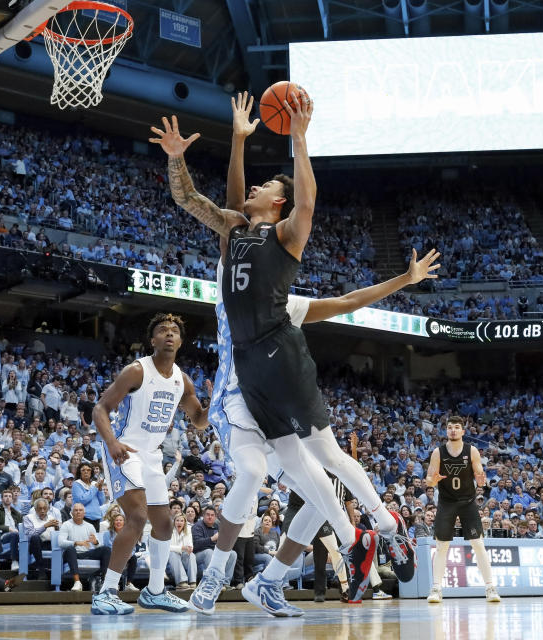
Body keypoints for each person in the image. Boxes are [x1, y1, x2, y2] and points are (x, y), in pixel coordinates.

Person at [173, 94, 432, 617]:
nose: (255, 190)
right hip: (241, 382)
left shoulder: (284, 261)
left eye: (267, 188)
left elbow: (346, 298)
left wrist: (404, 280)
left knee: (325, 472)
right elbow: (205, 199)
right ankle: (239, 576)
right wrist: (202, 151)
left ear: (277, 206)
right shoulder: (234, 234)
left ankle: (360, 538)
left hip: (273, 360)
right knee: (275, 470)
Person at [90, 313, 209, 615]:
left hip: (152, 454)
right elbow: (100, 408)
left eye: (174, 331)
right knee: (138, 517)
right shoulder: (136, 371)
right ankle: (106, 592)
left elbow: (199, 421)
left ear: (180, 341)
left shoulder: (183, 381)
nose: (169, 334)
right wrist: (112, 443)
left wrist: (217, 402)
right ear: (152, 339)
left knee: (165, 524)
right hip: (124, 448)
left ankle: (155, 591)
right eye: (162, 330)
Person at [425, 416, 500, 604]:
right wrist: (434, 480)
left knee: (478, 543)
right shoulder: (438, 452)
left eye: (457, 427)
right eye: (450, 427)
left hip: (467, 501)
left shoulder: (471, 450)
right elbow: (428, 480)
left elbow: (479, 475)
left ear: (463, 431)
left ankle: (490, 587)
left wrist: (481, 480)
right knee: (442, 546)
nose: (453, 430)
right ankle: (436, 588)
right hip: (446, 501)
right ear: (446, 431)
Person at [59, 502, 110, 592]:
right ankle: (77, 582)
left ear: (84, 513)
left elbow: (98, 545)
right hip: (72, 554)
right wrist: (76, 543)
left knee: (106, 549)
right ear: (72, 513)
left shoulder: (90, 526)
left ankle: (103, 580)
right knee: (70, 549)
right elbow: (61, 542)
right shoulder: (66, 524)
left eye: (80, 510)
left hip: (86, 553)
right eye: (76, 510)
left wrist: (95, 542)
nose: (78, 512)